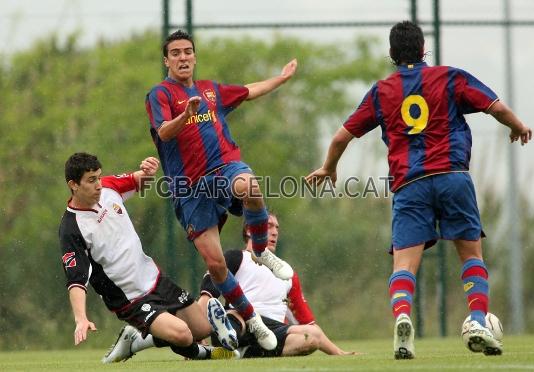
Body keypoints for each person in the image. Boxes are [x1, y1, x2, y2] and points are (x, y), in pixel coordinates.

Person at [306, 20, 532, 360]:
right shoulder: (450, 77)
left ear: (392, 55)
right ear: (424, 49)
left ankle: (401, 319)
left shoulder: (382, 91)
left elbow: (341, 137)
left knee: (404, 265)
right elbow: (496, 107)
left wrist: (329, 167)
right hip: (453, 177)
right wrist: (518, 126)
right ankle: (476, 319)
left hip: (410, 185)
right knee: (470, 255)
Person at [145, 29, 297, 350]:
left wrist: (280, 79)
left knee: (250, 186)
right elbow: (164, 132)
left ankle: (260, 251)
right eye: (176, 53)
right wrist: (185, 115)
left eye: (188, 51)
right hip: (188, 188)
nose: (183, 57)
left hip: (223, 169)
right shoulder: (160, 95)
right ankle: (252, 321)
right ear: (166, 60)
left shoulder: (211, 90)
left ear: (194, 56)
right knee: (216, 266)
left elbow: (249, 90)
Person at [59, 152, 237, 363]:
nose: (98, 184)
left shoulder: (107, 187)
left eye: (98, 177)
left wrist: (147, 171)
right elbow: (76, 281)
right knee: (182, 335)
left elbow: (137, 179)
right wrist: (81, 318)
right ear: (73, 185)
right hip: (129, 299)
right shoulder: (71, 228)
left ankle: (136, 340)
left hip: (154, 278)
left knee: (202, 329)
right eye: (90, 180)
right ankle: (205, 355)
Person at [198, 212, 355, 358]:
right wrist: (198, 338)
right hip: (242, 321)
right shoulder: (236, 257)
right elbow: (208, 297)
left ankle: (245, 353)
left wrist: (340, 354)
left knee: (311, 338)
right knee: (234, 315)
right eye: (268, 226)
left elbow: (308, 323)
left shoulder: (287, 273)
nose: (275, 232)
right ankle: (229, 340)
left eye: (277, 228)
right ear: (249, 230)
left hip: (273, 332)